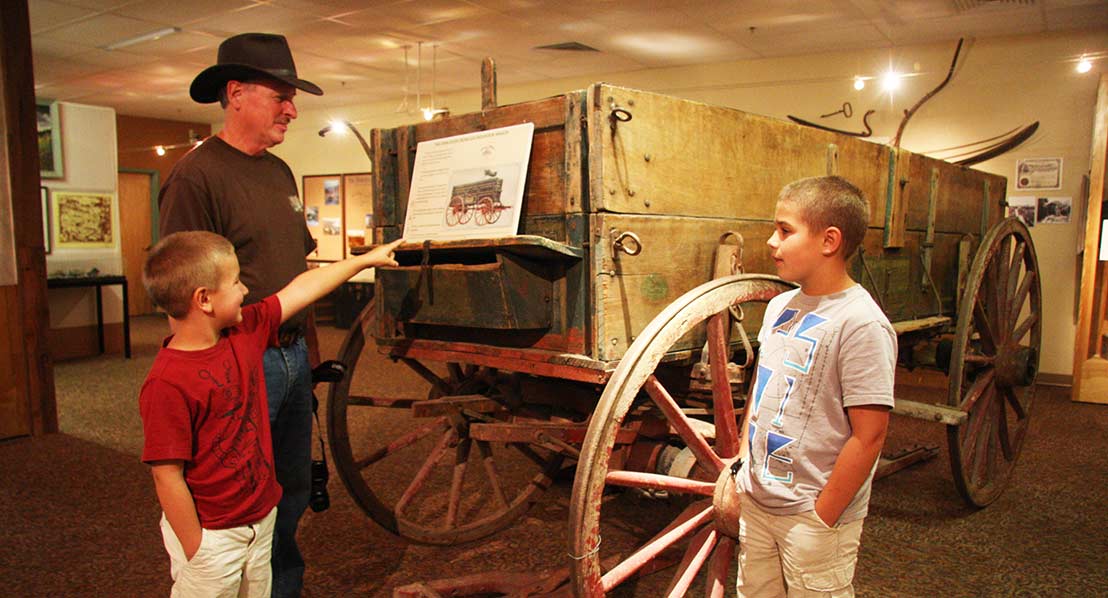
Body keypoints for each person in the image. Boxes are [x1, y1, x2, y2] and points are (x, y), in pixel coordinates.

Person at [139, 231, 402, 597]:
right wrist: (198, 549)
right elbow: (167, 476)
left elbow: (299, 290)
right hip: (213, 536)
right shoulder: (167, 383)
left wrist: (362, 261)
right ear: (204, 300)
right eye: (234, 282)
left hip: (260, 518)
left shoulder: (244, 330)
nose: (245, 290)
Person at [158, 32, 324, 596]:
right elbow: (181, 286)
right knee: (233, 491)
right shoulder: (195, 176)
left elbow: (296, 266)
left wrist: (310, 353)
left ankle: (281, 589)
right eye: (280, 95)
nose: (291, 109)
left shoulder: (279, 173)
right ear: (236, 94)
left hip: (292, 352)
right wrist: (212, 377)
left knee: (290, 489)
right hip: (240, 360)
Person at [735, 176, 896, 597]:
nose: (772, 242)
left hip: (812, 514)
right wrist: (742, 467)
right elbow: (761, 390)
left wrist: (821, 516)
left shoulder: (862, 324)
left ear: (829, 241)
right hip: (759, 501)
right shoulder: (778, 307)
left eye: (785, 231)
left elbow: (870, 434)